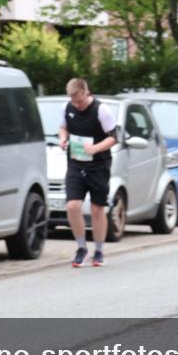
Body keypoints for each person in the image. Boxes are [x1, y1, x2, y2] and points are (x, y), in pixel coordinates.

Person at [58, 78, 118, 267]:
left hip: (98, 165)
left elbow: (114, 138)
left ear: (87, 92)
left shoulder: (102, 110)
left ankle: (99, 250)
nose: (78, 105)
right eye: (74, 102)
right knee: (72, 206)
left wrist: (95, 148)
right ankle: (81, 247)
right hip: (76, 164)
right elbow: (62, 128)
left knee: (96, 209)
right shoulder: (67, 108)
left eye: (80, 101)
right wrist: (63, 139)